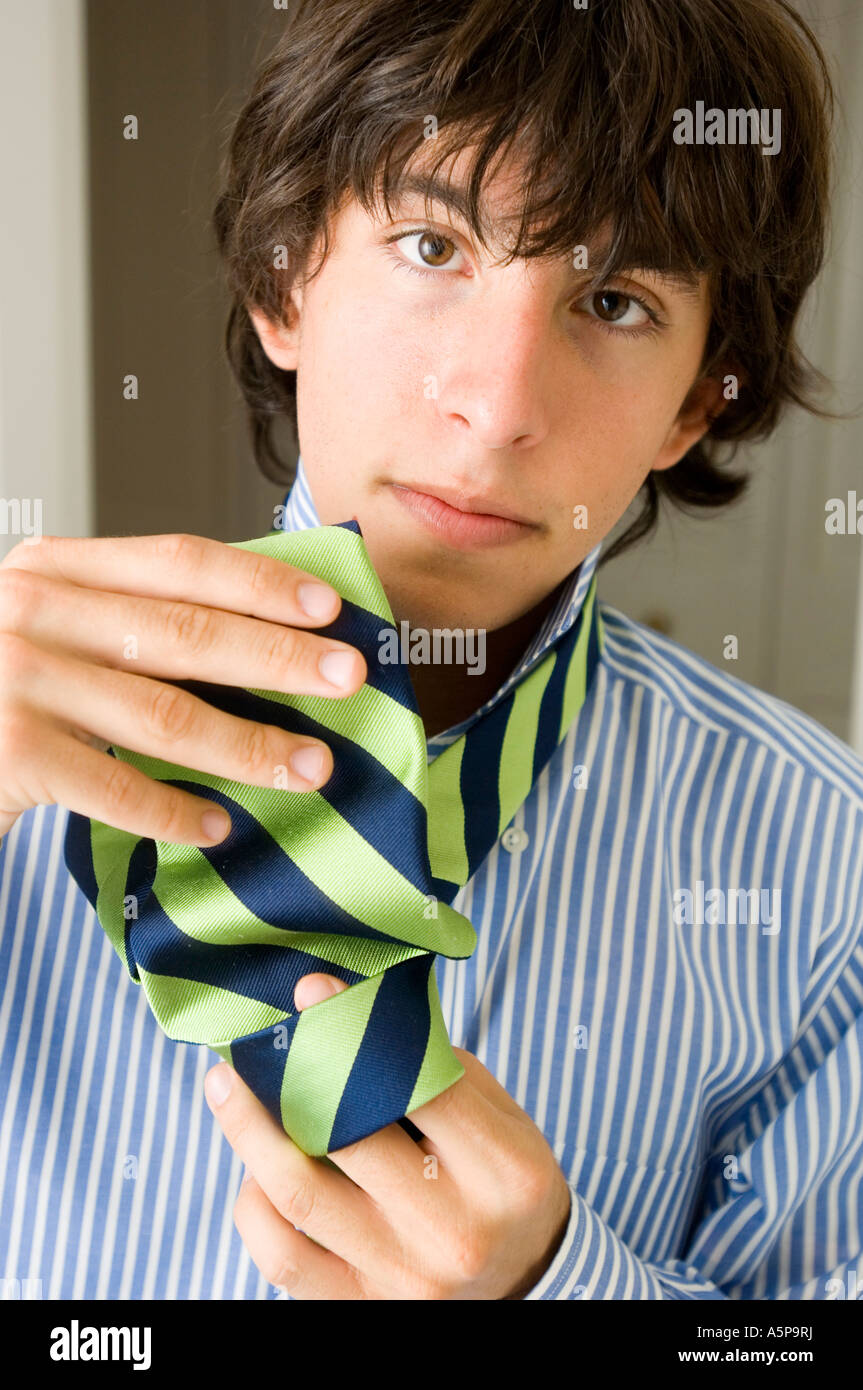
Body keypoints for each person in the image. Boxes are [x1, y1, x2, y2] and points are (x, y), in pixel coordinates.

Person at [0, 0, 860, 1301]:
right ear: (284, 277)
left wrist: (563, 1299)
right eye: (429, 242)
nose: (499, 404)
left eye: (615, 300)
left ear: (699, 399)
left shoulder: (825, 866)